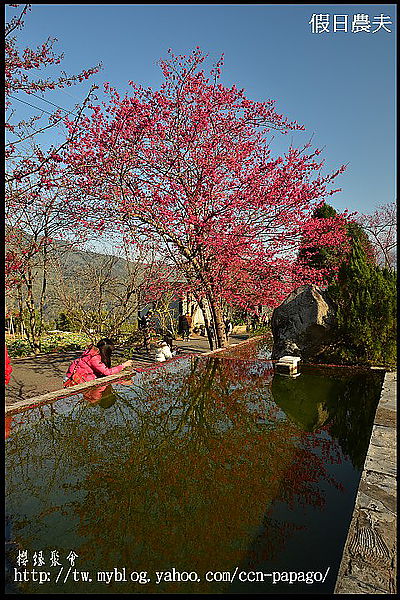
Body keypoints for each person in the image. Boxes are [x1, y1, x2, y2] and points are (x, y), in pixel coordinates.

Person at [63, 338, 133, 388]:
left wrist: (121, 381)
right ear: (106, 351)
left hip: (79, 378)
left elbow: (103, 375)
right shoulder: (94, 358)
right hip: (76, 382)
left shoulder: (93, 353)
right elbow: (107, 373)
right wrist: (123, 365)